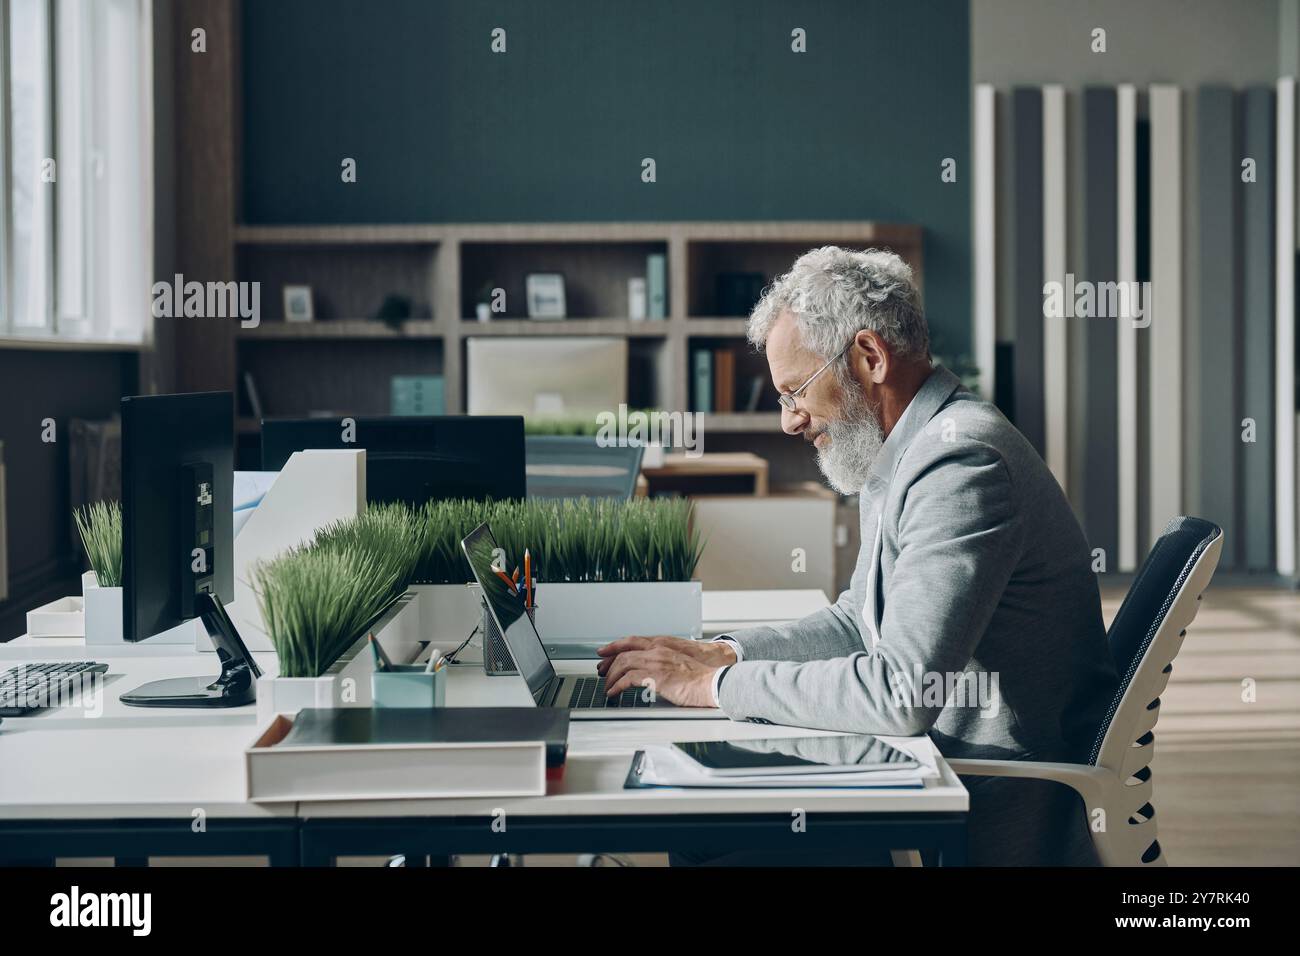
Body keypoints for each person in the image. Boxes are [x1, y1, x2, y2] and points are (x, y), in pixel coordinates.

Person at [597, 246, 1119, 865]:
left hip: (976, 797)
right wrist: (727, 651)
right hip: (931, 768)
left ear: (869, 357)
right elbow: (856, 621)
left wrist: (714, 685)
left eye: (796, 391)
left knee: (704, 836)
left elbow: (900, 691)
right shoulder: (911, 447)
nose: (790, 421)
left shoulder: (961, 464)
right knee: (699, 833)